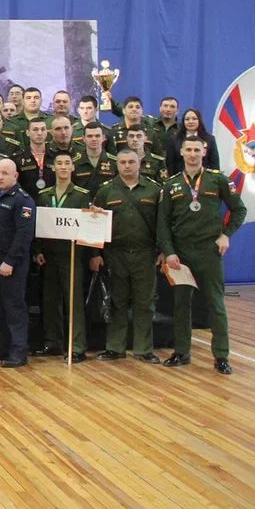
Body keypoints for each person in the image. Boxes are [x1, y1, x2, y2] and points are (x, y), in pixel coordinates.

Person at [158, 137, 246, 374]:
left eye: (197, 150)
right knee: (180, 304)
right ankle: (181, 352)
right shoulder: (172, 184)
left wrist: (226, 235)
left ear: (204, 152)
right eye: (189, 149)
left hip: (209, 251)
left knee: (216, 304)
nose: (193, 154)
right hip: (181, 254)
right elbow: (163, 223)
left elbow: (239, 209)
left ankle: (221, 356)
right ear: (181, 152)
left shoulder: (218, 180)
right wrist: (169, 252)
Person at [92, 149, 163, 364]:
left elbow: (163, 223)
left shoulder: (154, 190)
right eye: (122, 162)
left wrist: (163, 251)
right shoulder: (105, 191)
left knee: (145, 303)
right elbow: (94, 224)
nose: (127, 166)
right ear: (117, 165)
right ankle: (115, 347)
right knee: (117, 302)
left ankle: (143, 349)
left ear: (139, 162)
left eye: (131, 161)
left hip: (145, 253)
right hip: (115, 254)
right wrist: (95, 253)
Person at [32, 152, 92, 362]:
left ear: (73, 168)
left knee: (73, 302)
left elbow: (89, 226)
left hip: (72, 255)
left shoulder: (82, 195)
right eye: (60, 163)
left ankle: (77, 346)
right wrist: (38, 250)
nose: (64, 167)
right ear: (53, 168)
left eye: (67, 163)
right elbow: (39, 226)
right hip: (49, 256)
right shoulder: (44, 195)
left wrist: (92, 254)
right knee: (50, 301)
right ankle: (53, 343)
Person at [0, 159, 35, 368]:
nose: (0, 177)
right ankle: (1, 347)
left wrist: (10, 261)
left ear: (15, 176)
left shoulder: (23, 200)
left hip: (12, 265)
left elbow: (24, 235)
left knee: (14, 308)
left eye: (5, 173)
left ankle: (19, 352)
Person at [165, 108, 220, 176]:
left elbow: (214, 164)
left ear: (199, 120)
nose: (190, 122)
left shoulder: (210, 139)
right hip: (180, 178)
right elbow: (170, 163)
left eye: (194, 119)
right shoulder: (174, 139)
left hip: (205, 179)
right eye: (187, 119)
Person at [72, 121, 117, 194]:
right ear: (83, 138)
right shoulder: (74, 163)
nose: (94, 139)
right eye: (90, 136)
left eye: (97, 136)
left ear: (103, 138)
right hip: (83, 201)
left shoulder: (115, 162)